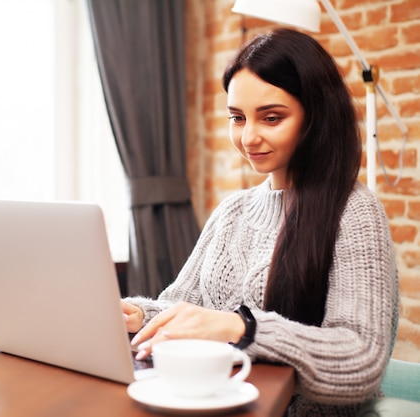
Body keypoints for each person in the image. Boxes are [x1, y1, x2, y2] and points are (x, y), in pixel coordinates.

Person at [122, 28, 399, 416]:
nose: (249, 137)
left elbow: (361, 360)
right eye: (237, 118)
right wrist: (137, 316)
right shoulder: (232, 211)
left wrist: (243, 329)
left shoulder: (353, 210)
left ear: (315, 117)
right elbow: (181, 308)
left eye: (271, 118)